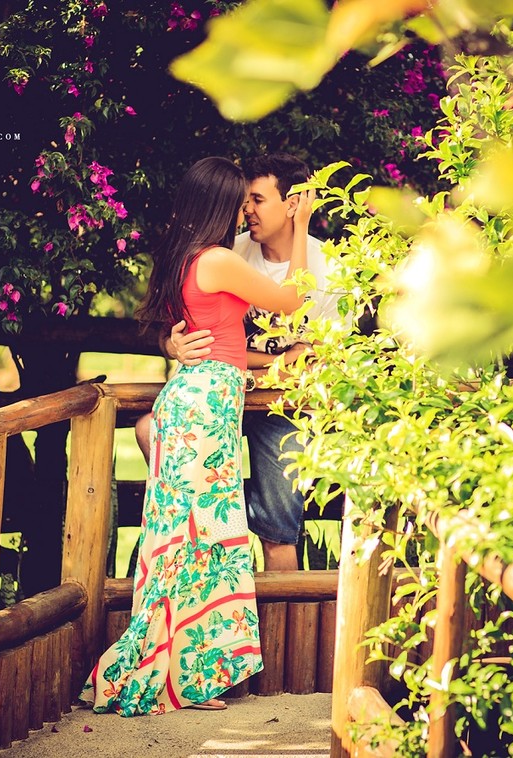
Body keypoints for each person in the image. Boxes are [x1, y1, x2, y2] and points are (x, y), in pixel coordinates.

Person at [81, 156, 314, 716]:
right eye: (238, 200)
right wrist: (302, 229)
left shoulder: (192, 259)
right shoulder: (216, 261)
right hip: (206, 405)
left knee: (194, 539)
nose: (244, 209)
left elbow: (206, 336)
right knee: (201, 538)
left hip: (200, 396)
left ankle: (187, 674)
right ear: (218, 205)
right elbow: (295, 300)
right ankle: (178, 676)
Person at [136, 154, 338, 571]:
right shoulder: (227, 254)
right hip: (221, 395)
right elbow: (193, 330)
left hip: (282, 406)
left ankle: (254, 623)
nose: (246, 210)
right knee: (204, 521)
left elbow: (326, 358)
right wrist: (177, 346)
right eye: (242, 201)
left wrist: (275, 369)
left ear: (293, 202)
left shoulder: (330, 266)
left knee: (274, 526)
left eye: (256, 201)